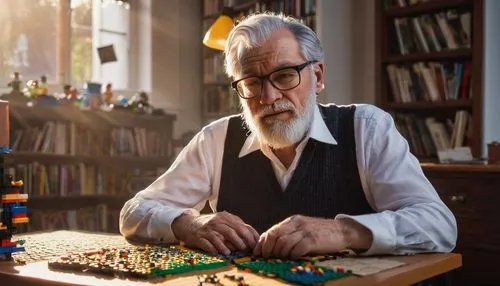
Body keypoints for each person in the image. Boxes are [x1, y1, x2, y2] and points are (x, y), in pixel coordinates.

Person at [120, 13, 457, 259]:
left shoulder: (366, 127)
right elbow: (134, 212)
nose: (268, 98)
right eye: (251, 83)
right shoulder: (216, 139)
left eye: (284, 76)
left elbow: (439, 225)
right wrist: (187, 223)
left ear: (318, 76)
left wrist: (341, 232)